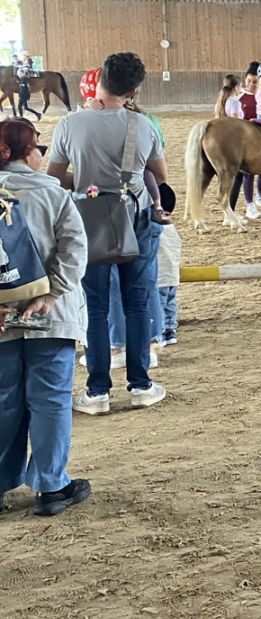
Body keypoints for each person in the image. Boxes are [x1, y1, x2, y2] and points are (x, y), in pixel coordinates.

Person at [47, 52, 169, 415]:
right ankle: (141, 385)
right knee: (136, 301)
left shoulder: (70, 124)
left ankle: (97, 390)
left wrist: (85, 182)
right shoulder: (143, 125)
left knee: (96, 307)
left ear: (99, 77)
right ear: (133, 91)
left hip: (89, 219)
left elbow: (55, 177)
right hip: (137, 217)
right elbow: (159, 176)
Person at [0, 117, 92, 516]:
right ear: (28, 152)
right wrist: (51, 293)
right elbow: (74, 252)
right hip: (49, 317)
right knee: (50, 398)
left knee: (4, 400)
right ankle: (51, 486)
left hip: (2, 319)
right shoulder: (53, 195)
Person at [230, 63, 261, 220]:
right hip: (245, 139)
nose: (250, 84)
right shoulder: (239, 97)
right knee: (249, 172)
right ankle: (249, 205)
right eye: (248, 81)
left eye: (254, 82)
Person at [156, 187, 181, 347]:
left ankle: (160, 332)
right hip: (173, 275)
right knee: (171, 303)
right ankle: (170, 331)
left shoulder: (155, 230)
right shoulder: (172, 229)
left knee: (158, 305)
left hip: (159, 276)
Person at [15, 51, 41, 121]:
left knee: (19, 106)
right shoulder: (23, 78)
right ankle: (37, 114)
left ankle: (21, 118)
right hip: (24, 93)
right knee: (26, 107)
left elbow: (27, 68)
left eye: (23, 55)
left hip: (24, 94)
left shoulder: (28, 62)